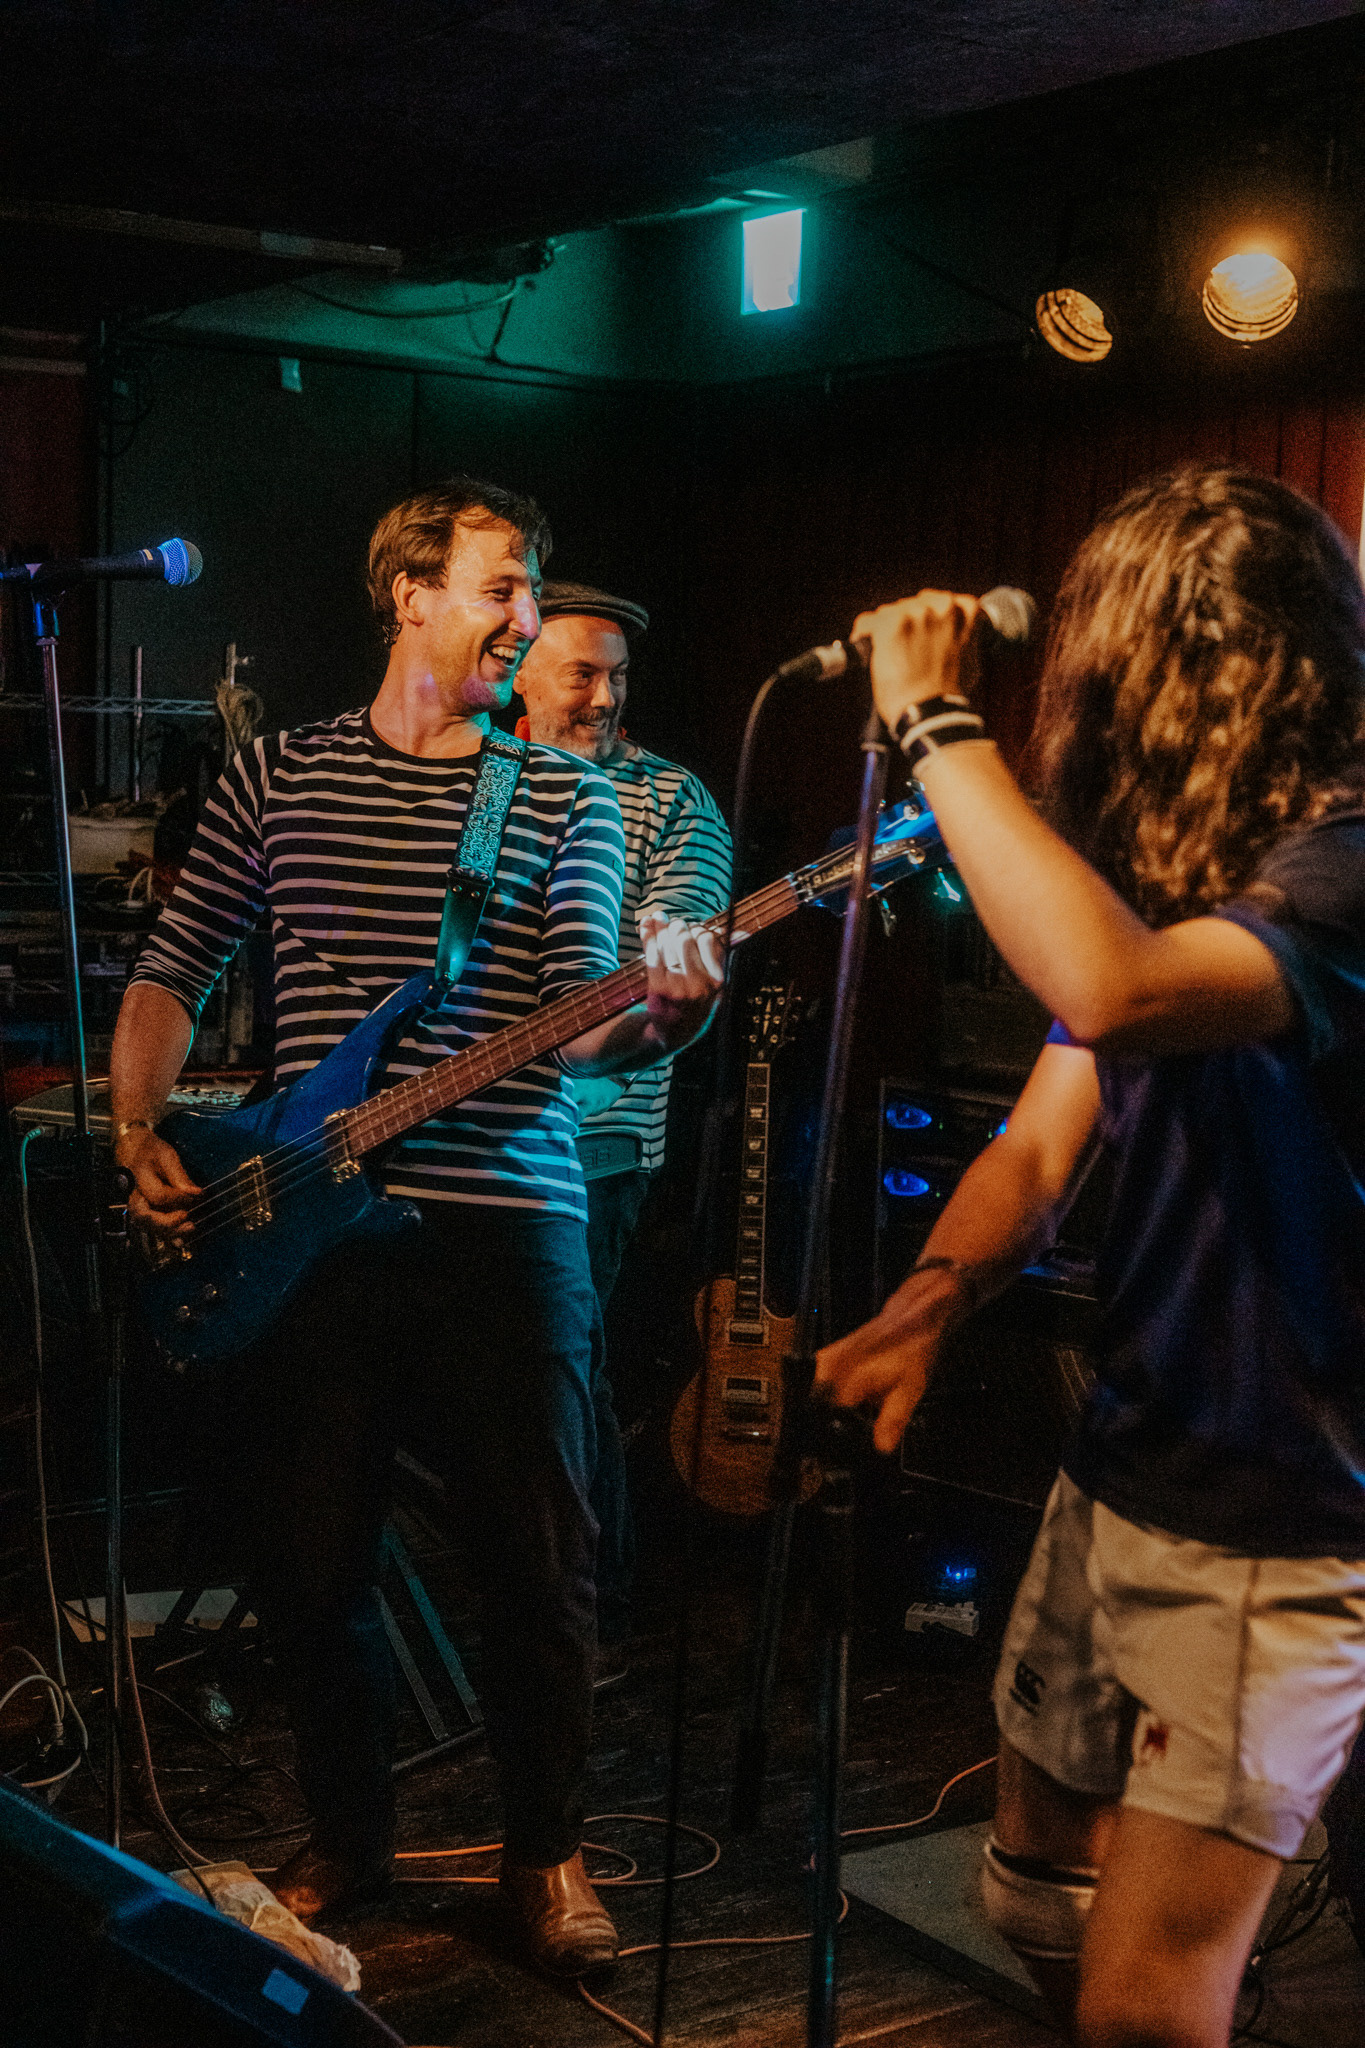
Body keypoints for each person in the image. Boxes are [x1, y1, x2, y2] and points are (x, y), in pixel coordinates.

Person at [108, 479, 724, 1975]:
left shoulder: (569, 797)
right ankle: (354, 1834)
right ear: (411, 592)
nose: (529, 616)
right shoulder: (278, 778)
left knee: (538, 1562)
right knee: (310, 1563)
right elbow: (171, 972)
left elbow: (578, 1025)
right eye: (505, 586)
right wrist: (138, 1132)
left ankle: (544, 1857)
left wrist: (655, 1024)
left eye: (533, 591)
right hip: (304, 1223)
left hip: (507, 1220)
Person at [816, 468, 1365, 2048]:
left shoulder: (1346, 865)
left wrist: (934, 720)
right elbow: (1042, 1141)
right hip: (1123, 1466)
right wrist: (926, 1306)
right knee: (1031, 1886)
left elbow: (1112, 992)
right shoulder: (1189, 867)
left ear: (1199, 661)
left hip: (1280, 1519)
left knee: (1144, 2005)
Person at [513, 581, 732, 1650]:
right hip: (463, 1131)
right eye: (581, 672)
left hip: (593, 1140)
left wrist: (665, 995)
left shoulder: (669, 799)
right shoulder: (475, 774)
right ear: (518, 670)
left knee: (567, 1370)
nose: (604, 697)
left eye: (619, 678)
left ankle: (594, 1615)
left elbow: (679, 945)